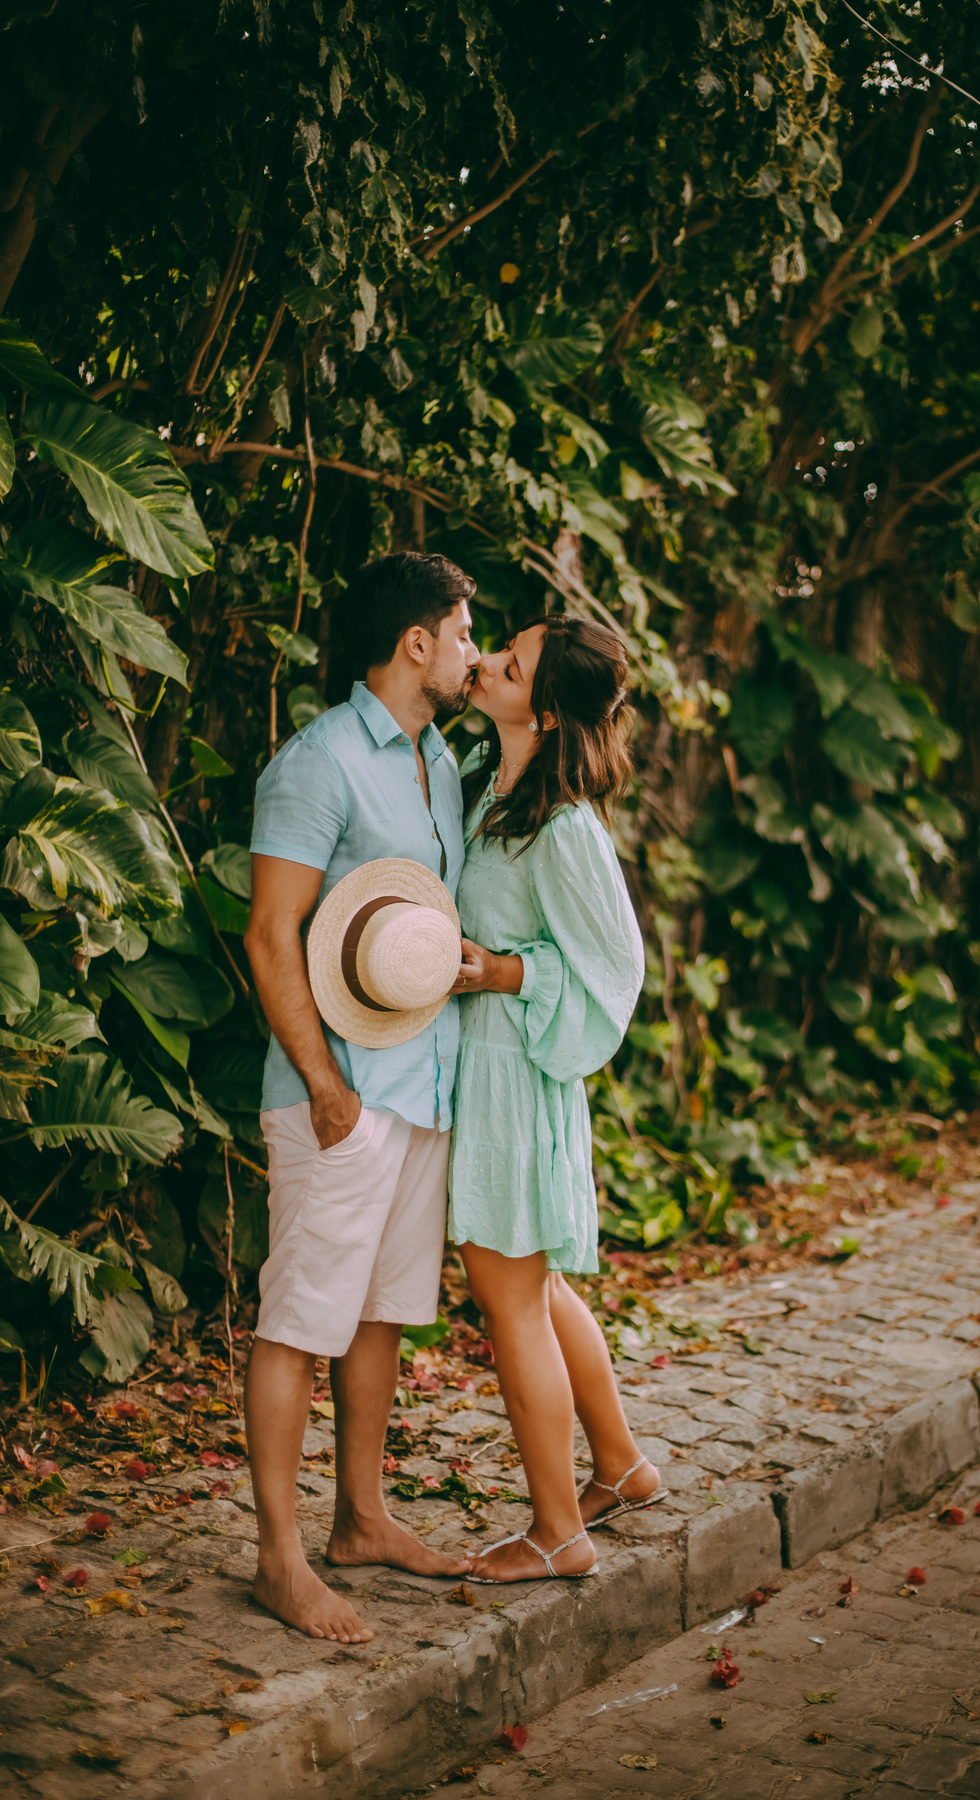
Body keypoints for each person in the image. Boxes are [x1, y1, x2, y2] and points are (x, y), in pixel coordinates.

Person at [243, 551, 480, 1643]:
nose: (475, 654)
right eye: (466, 633)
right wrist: (326, 1085)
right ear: (416, 642)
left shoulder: (444, 760)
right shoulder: (319, 761)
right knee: (301, 1320)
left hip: (419, 1083)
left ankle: (363, 1520)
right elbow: (270, 932)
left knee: (382, 1314)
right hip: (337, 1095)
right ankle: (279, 1560)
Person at [447, 614, 662, 1582]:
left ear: (539, 704)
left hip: (515, 1076)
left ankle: (556, 1533)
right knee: (539, 1288)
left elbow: (615, 974)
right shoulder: (486, 786)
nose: (486, 659)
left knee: (511, 1303)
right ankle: (619, 1467)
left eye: (511, 661)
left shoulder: (562, 824)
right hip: (481, 1065)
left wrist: (504, 973)